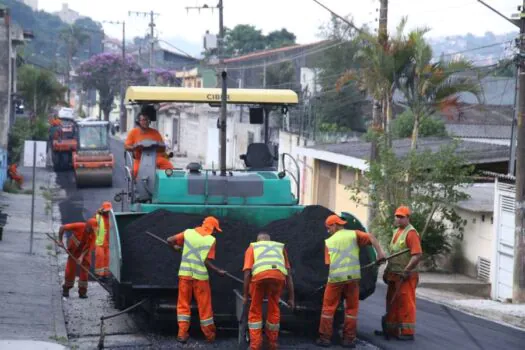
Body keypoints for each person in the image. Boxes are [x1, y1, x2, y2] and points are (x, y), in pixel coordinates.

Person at [316, 215, 386, 348]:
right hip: (353, 278)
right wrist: (380, 254)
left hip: (335, 279)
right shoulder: (354, 234)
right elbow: (371, 237)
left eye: (328, 228)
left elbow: (328, 264)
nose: (328, 231)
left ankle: (325, 338)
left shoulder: (329, 242)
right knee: (352, 309)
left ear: (335, 225)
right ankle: (349, 340)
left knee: (328, 309)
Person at [166, 216, 226, 344]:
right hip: (200, 278)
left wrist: (175, 248)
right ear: (212, 229)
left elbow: (169, 240)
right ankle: (209, 336)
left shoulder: (188, 233)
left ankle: (182, 334)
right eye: (215, 230)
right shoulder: (211, 240)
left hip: (185, 274)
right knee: (204, 307)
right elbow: (206, 261)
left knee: (183, 305)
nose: (215, 232)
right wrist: (218, 271)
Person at [375, 206, 422, 341]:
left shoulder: (411, 233)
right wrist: (386, 271)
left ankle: (407, 331)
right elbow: (394, 254)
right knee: (392, 301)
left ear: (408, 218)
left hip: (406, 275)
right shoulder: (396, 232)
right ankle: (391, 329)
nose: (398, 219)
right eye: (397, 216)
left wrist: (407, 270)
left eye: (401, 217)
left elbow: (417, 255)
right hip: (394, 274)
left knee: (405, 302)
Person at [242, 232, 295, 350]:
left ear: (258, 240)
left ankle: (255, 345)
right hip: (278, 278)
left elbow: (247, 274)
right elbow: (289, 275)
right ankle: (272, 344)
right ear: (269, 240)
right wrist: (291, 298)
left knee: (255, 309)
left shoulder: (253, 247)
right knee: (274, 308)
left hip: (259, 279)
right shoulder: (280, 247)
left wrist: (245, 296)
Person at [124, 106, 173, 178]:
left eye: (147, 120)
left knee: (169, 167)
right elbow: (126, 146)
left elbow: (162, 147)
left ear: (149, 121)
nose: (145, 122)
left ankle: (163, 184)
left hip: (155, 158)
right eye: (143, 120)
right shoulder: (133, 132)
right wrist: (134, 147)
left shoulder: (155, 132)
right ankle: (137, 187)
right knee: (135, 171)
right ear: (138, 121)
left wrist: (160, 148)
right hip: (140, 159)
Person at [58, 218, 98, 299]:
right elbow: (62, 227)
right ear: (88, 226)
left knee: (85, 271)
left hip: (85, 252)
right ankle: (66, 288)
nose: (91, 231)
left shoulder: (93, 234)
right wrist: (60, 241)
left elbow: (89, 247)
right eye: (90, 229)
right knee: (70, 270)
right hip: (74, 250)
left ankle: (82, 292)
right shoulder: (79, 226)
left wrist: (81, 257)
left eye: (93, 229)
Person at [94, 201, 112, 280]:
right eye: (106, 211)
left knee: (107, 259)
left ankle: (106, 275)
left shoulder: (111, 218)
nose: (107, 212)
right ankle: (99, 275)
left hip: (107, 243)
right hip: (100, 242)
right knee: (100, 259)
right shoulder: (98, 217)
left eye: (109, 211)